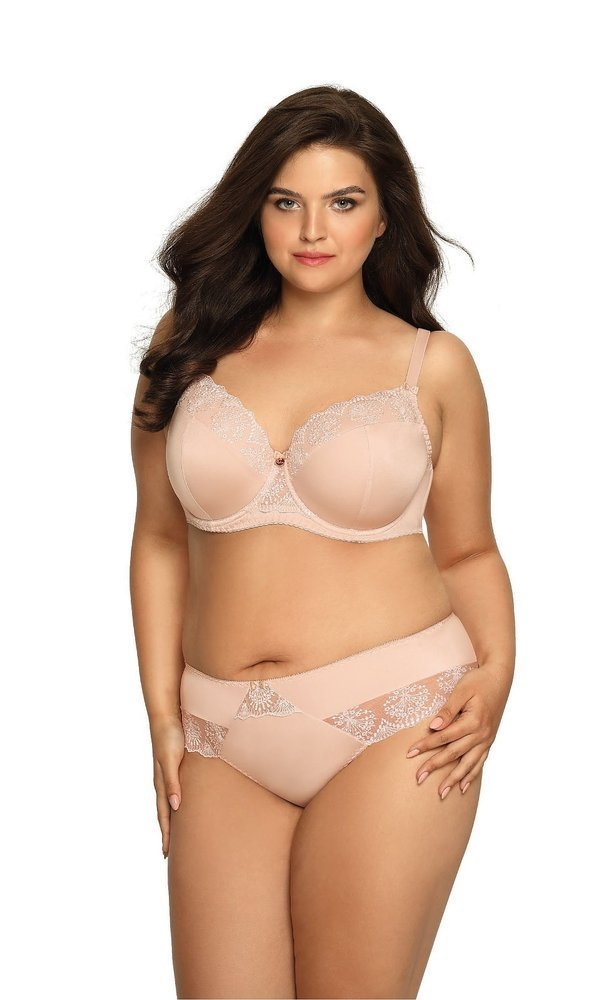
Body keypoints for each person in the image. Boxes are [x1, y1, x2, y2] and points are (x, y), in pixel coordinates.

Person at [130, 85, 515, 1000]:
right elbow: (158, 539)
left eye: (343, 201)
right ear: (254, 209)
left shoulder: (432, 364)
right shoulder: (187, 344)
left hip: (398, 717)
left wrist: (497, 672)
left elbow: (467, 550)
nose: (312, 229)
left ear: (383, 219)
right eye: (285, 201)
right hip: (220, 732)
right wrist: (162, 715)